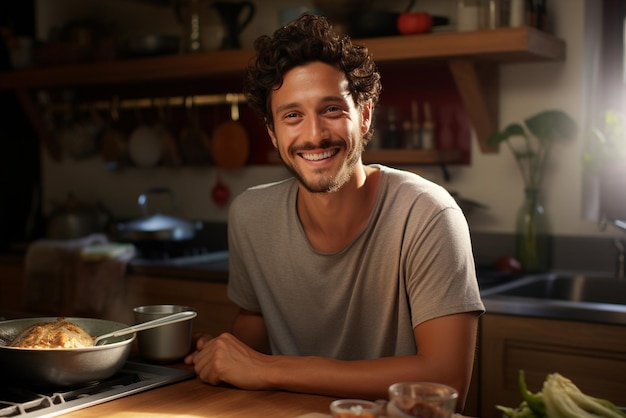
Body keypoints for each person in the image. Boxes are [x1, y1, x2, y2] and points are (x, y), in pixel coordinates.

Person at [184, 13, 485, 410]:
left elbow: (447, 380)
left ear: (364, 114)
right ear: (273, 133)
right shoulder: (250, 216)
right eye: (292, 115)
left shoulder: (427, 214)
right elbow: (256, 322)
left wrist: (269, 370)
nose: (314, 135)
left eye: (331, 109)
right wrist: (223, 352)